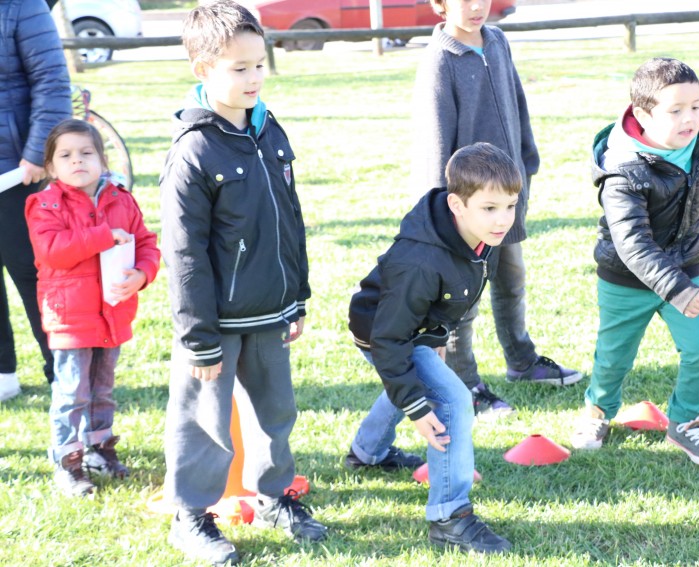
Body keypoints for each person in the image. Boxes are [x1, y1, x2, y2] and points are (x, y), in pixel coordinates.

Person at [159, 2, 326, 564]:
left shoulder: (269, 130)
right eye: (239, 67)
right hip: (214, 323)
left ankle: (277, 495)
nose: (254, 77)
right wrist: (198, 336)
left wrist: (295, 295)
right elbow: (184, 256)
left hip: (269, 312)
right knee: (205, 422)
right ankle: (192, 516)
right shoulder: (194, 150)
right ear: (203, 68)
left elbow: (289, 218)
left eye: (259, 64)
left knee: (275, 413)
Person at [410, 0, 582, 419]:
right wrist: (443, 212)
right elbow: (434, 142)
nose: (475, 7)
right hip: (467, 210)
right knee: (462, 299)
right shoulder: (439, 61)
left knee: (511, 278)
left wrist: (527, 164)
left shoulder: (498, 41)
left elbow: (517, 106)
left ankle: (521, 361)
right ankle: (464, 383)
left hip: (507, 196)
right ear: (439, 5)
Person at [348, 142, 518, 553]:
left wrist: (436, 339)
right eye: (490, 208)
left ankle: (365, 453)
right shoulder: (420, 261)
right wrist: (419, 408)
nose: (503, 220)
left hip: (415, 329)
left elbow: (451, 298)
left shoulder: (478, 235)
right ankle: (449, 516)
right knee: (452, 400)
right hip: (384, 333)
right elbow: (390, 341)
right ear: (457, 204)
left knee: (415, 385)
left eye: (511, 206)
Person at [570, 58, 699, 469]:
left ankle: (686, 421)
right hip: (627, 277)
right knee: (614, 355)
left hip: (684, 266)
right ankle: (598, 411)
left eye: (695, 106)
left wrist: (688, 264)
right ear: (643, 114)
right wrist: (675, 288)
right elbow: (632, 244)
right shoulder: (622, 168)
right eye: (675, 110)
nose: (689, 118)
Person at [24, 119, 160, 496]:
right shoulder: (43, 205)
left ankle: (100, 449)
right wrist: (102, 236)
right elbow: (53, 250)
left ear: (102, 159)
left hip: (112, 312)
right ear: (51, 167)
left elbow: (146, 243)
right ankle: (68, 462)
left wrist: (142, 274)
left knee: (102, 389)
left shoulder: (122, 199)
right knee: (72, 393)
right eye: (65, 155)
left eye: (86, 153)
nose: (77, 161)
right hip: (70, 316)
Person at [0, 0, 71, 401]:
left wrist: (38, 153)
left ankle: (62, 371)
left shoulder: (23, 6)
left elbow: (51, 80)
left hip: (16, 168)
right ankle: (2, 374)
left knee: (34, 275)